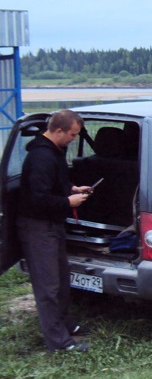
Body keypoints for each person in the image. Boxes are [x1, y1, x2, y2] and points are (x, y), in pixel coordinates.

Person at [17, 109, 94, 352]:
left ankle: (65, 325)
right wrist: (67, 203)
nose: (74, 139)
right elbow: (36, 199)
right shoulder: (41, 158)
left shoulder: (55, 153)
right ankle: (59, 343)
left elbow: (55, 183)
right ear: (58, 130)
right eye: (72, 135)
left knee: (61, 278)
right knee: (48, 286)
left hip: (53, 224)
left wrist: (71, 188)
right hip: (37, 227)